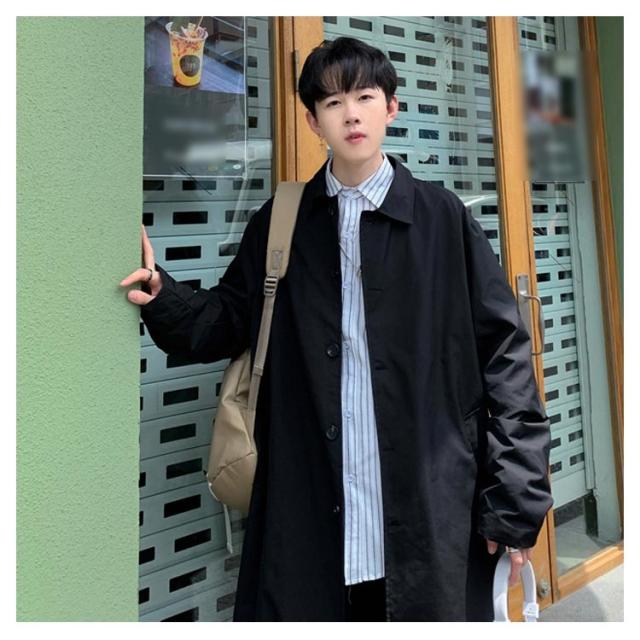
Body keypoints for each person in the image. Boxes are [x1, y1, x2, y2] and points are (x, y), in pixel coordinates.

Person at [120, 36, 553, 621]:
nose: (351, 114)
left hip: (428, 506)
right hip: (313, 506)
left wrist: (515, 499)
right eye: (332, 102)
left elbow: (505, 357)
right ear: (312, 121)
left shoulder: (441, 218)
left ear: (391, 107)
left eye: (365, 97)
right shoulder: (283, 220)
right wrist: (163, 295)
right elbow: (227, 320)